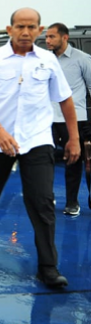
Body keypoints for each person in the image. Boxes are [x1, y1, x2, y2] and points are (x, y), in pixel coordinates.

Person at [0, 8, 80, 289]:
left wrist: (73, 138)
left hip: (36, 139)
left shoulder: (48, 61)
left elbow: (65, 100)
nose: (25, 32)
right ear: (10, 28)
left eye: (31, 27)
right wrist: (0, 132)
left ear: (40, 30)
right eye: (20, 26)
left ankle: (48, 267)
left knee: (42, 200)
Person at [45, 22, 91, 216]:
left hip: (75, 119)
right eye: (46, 37)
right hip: (48, 119)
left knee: (73, 160)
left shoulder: (82, 59)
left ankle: (72, 202)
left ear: (65, 38)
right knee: (43, 159)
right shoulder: (45, 60)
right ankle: (46, 198)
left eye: (51, 37)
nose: (47, 41)